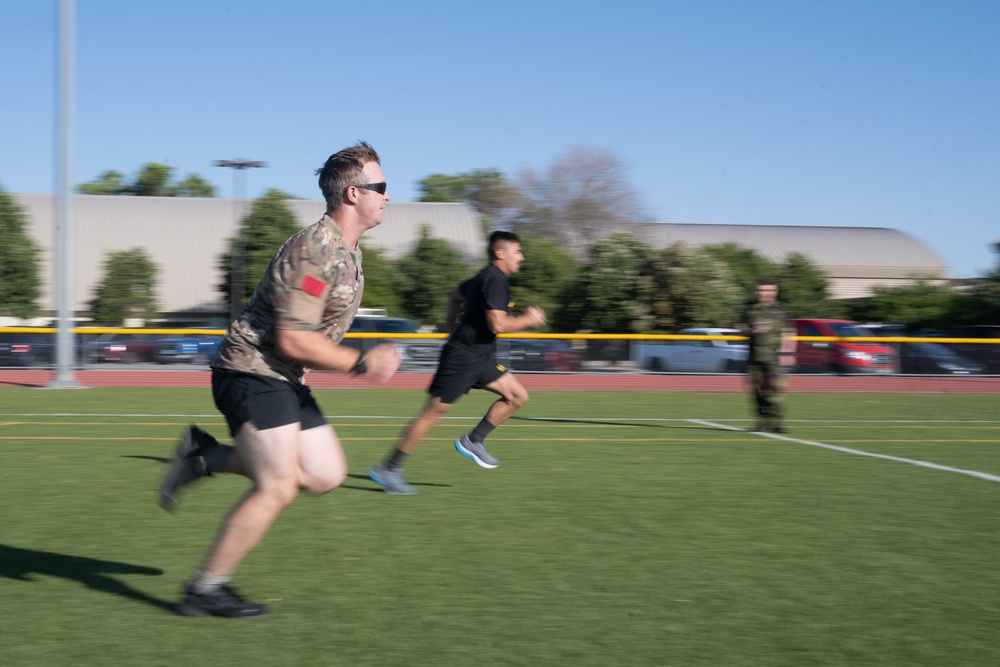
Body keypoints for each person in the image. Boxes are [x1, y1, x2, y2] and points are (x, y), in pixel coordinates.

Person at [157, 142, 401, 619]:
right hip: (250, 369)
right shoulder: (316, 250)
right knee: (278, 486)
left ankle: (203, 456)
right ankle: (205, 590)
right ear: (354, 194)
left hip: (283, 377)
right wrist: (361, 362)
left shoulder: (346, 250)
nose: (388, 196)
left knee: (326, 474)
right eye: (382, 187)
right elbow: (291, 340)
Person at [367, 231, 547, 494]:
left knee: (517, 396)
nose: (522, 257)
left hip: (479, 356)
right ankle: (389, 468)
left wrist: (452, 327)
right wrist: (528, 319)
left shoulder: (483, 277)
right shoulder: (495, 279)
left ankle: (474, 441)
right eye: (517, 252)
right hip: (463, 357)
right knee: (432, 414)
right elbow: (497, 323)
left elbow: (454, 295)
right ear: (501, 253)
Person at [737, 278, 796, 433]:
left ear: (775, 292)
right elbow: (740, 329)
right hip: (754, 357)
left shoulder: (781, 309)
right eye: (761, 290)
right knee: (756, 391)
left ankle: (777, 423)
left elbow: (789, 332)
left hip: (775, 357)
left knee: (775, 391)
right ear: (756, 291)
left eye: (768, 290)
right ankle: (762, 423)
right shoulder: (748, 308)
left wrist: (787, 352)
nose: (764, 293)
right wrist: (751, 330)